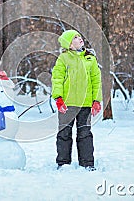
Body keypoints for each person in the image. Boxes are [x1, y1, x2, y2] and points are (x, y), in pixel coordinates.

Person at [51, 29, 102, 171]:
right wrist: (58, 98)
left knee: (85, 134)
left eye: (79, 36)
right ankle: (63, 163)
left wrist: (96, 100)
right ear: (69, 45)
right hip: (67, 105)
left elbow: (96, 80)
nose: (80, 39)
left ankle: (87, 163)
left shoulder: (90, 59)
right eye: (75, 38)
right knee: (64, 134)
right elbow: (57, 79)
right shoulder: (63, 59)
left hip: (85, 104)